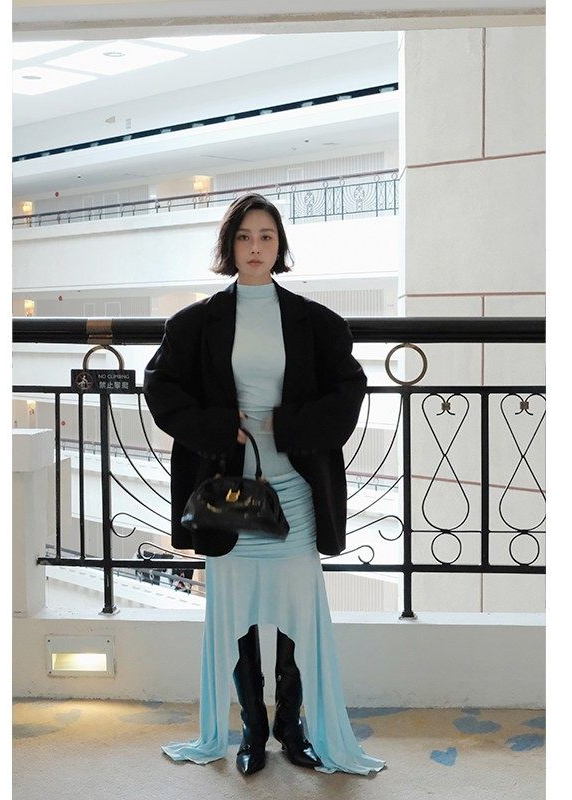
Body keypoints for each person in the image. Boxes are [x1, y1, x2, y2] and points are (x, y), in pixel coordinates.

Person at [143, 193, 386, 776]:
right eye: (245, 237)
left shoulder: (317, 322)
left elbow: (349, 391)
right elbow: (160, 387)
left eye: (266, 237)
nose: (255, 248)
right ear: (229, 246)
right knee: (238, 619)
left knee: (299, 616)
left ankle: (292, 729)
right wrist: (216, 426)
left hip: (295, 493)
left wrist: (289, 425)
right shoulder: (194, 322)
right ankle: (252, 730)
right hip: (227, 495)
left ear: (281, 246)